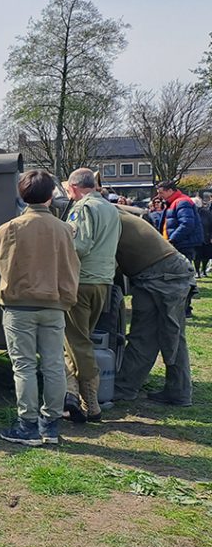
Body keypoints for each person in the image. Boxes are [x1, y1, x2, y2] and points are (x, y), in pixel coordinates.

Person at [0, 170, 80, 446]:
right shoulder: (65, 229)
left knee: (24, 366)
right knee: (53, 365)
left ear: (21, 194)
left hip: (19, 306)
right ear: (51, 195)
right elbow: (73, 266)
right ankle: (50, 426)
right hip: (54, 304)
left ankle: (27, 426)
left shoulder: (10, 228)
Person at [112, 208, 196, 407]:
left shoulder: (103, 216)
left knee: (156, 334)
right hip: (164, 272)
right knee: (166, 335)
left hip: (160, 275)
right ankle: (177, 391)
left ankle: (126, 387)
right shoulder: (116, 213)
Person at [63, 168, 121, 423]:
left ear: (74, 187)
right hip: (102, 281)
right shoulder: (110, 208)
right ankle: (71, 395)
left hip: (82, 280)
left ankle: (91, 402)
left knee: (77, 341)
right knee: (78, 339)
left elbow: (80, 245)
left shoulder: (82, 208)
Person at [155, 180, 203, 317]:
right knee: (178, 279)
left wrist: (172, 239)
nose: (159, 196)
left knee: (181, 279)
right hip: (178, 245)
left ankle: (185, 309)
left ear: (170, 191)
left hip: (182, 246)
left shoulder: (182, 202)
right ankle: (182, 308)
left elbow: (187, 224)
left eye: (161, 192)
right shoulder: (175, 202)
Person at [197, 197, 212, 277]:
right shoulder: (193, 212)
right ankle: (197, 271)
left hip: (206, 236)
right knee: (197, 256)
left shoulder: (207, 213)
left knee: (206, 255)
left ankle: (203, 270)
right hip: (197, 238)